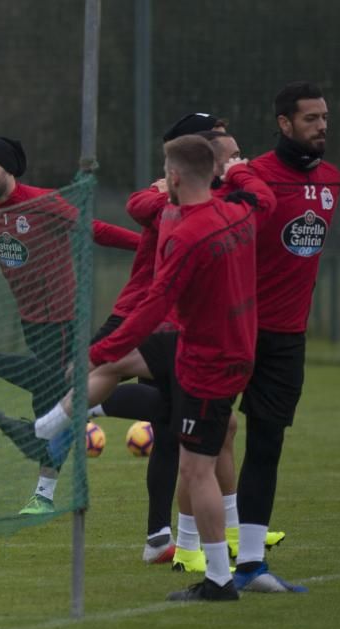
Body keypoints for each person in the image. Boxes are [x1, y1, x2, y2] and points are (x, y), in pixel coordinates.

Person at [36, 135, 271, 601]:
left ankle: (220, 582)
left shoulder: (186, 233)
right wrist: (240, 169)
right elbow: (261, 194)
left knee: (195, 471)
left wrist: (96, 349)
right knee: (123, 364)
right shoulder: (241, 211)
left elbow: (153, 304)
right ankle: (54, 422)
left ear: (176, 177)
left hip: (209, 362)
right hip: (225, 348)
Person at [0, 137, 139, 514]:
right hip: (30, 319)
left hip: (63, 318)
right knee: (49, 400)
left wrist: (148, 243)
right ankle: (43, 494)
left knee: (55, 388)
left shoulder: (44, 202)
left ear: (9, 171)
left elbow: (94, 229)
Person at [233, 81, 340, 593]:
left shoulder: (332, 181)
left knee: (266, 443)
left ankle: (251, 565)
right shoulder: (251, 177)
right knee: (198, 438)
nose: (322, 126)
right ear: (284, 124)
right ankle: (197, 555)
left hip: (286, 337)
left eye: (324, 118)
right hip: (233, 327)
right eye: (310, 119)